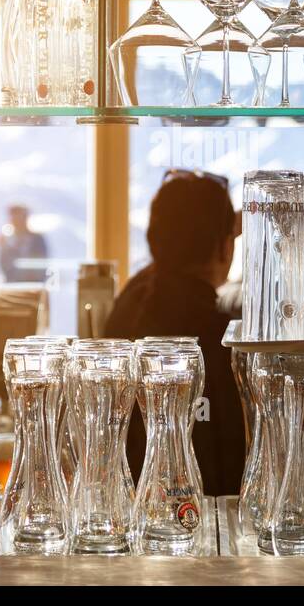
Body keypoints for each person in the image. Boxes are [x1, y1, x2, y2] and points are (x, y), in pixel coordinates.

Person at [103, 171, 245, 496]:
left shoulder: (132, 303)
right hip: (195, 523)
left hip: (127, 507)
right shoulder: (218, 337)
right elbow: (226, 470)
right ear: (225, 248)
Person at [0, 205, 48, 283]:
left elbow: (41, 264)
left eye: (19, 217)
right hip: (12, 285)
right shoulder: (7, 240)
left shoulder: (37, 238)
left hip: (33, 285)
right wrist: (3, 247)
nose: (16, 221)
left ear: (26, 217)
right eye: (13, 217)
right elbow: (4, 266)